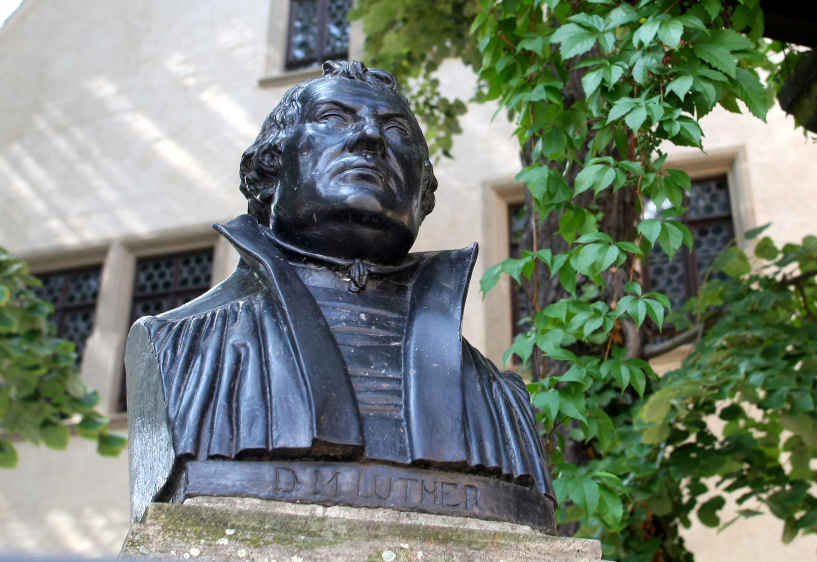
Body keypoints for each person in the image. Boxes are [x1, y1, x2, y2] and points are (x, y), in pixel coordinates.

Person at [125, 61, 553, 527]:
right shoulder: (179, 348)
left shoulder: (502, 400)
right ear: (269, 168)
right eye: (333, 118)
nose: (370, 138)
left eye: (396, 130)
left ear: (423, 190)